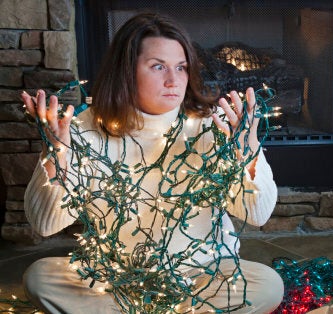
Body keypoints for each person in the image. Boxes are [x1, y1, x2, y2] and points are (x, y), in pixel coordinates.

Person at [20, 13, 283, 314]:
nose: (174, 80)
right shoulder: (81, 129)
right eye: (158, 67)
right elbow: (45, 224)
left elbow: (257, 215)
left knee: (267, 284)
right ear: (126, 71)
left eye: (181, 67)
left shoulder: (217, 125)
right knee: (41, 278)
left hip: (201, 275)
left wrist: (246, 152)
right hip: (113, 276)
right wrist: (56, 154)